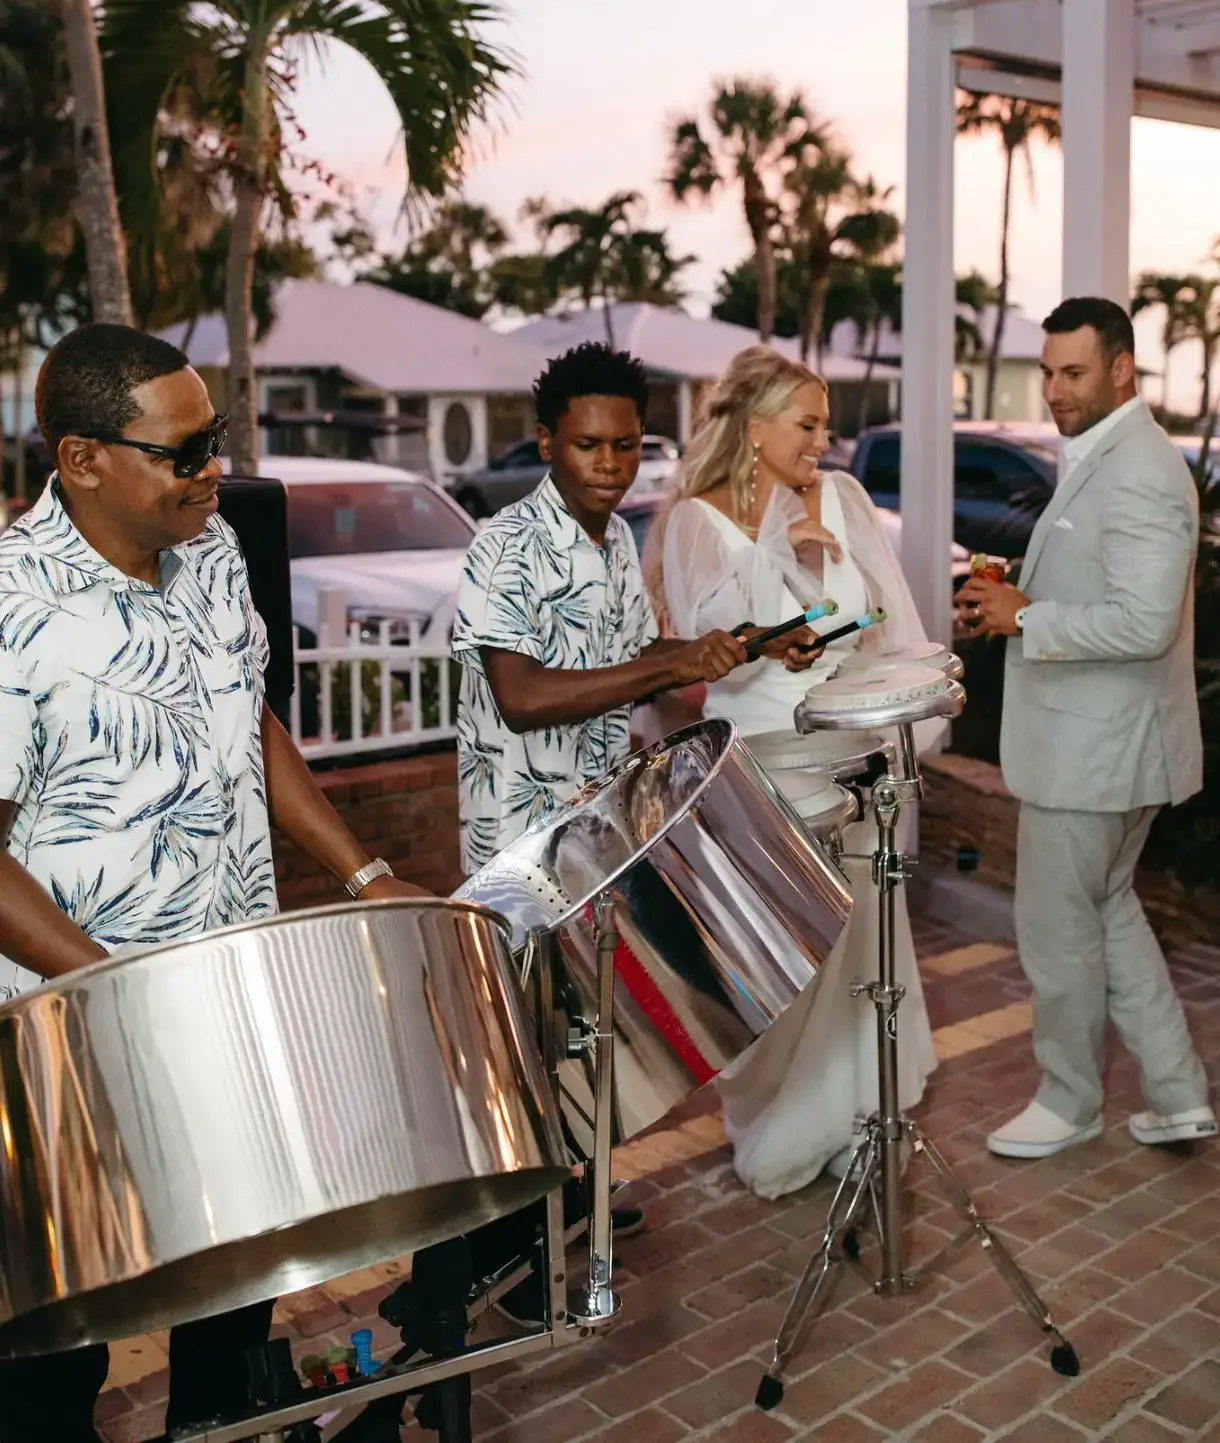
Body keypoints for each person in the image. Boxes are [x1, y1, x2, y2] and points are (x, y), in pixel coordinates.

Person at [0, 324, 425, 1443]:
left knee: (234, 1298)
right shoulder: (13, 608)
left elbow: (251, 721)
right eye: (183, 452)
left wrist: (364, 871)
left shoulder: (215, 548)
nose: (213, 471)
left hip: (228, 1000)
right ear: (82, 459)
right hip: (78, 1039)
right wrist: (127, 995)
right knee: (57, 1353)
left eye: (216, 440)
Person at [448, 341, 746, 1321]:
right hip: (518, 842)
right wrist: (666, 670)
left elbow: (628, 653)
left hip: (593, 829)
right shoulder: (504, 547)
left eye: (626, 446)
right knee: (523, 1047)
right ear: (545, 441)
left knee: (582, 1025)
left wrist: (711, 650)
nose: (610, 464)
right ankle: (508, 1260)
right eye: (588, 445)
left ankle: (575, 1203)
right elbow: (524, 695)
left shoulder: (615, 540)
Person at [653, 345, 938, 1198]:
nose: (823, 440)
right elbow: (712, 659)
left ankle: (859, 1118)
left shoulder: (844, 498)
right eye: (807, 424)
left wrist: (892, 715)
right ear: (754, 426)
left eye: (825, 425)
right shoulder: (698, 521)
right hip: (761, 764)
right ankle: (781, 1118)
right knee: (788, 957)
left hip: (852, 751)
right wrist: (783, 555)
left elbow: (886, 624)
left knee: (863, 941)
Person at [957, 297, 1215, 1161]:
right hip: (1104, 749)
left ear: (1121, 369)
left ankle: (1067, 1101)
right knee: (1111, 914)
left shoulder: (1139, 467)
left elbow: (1144, 622)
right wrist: (1016, 601)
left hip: (1095, 756)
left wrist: (1026, 617)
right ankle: (1178, 1094)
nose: (1055, 389)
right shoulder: (1112, 453)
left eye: (1074, 372)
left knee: (1059, 934)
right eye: (1048, 372)